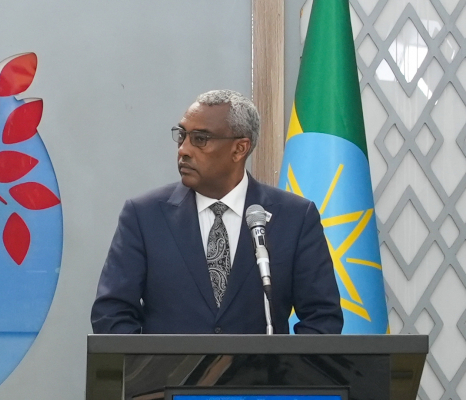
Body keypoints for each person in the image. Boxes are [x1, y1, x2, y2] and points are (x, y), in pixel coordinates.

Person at [91, 89, 342, 335]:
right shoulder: (144, 216)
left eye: (200, 139)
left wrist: (284, 375)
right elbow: (112, 313)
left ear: (239, 149)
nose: (183, 150)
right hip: (167, 377)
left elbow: (322, 318)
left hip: (264, 376)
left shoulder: (295, 218)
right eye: (182, 136)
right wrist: (149, 372)